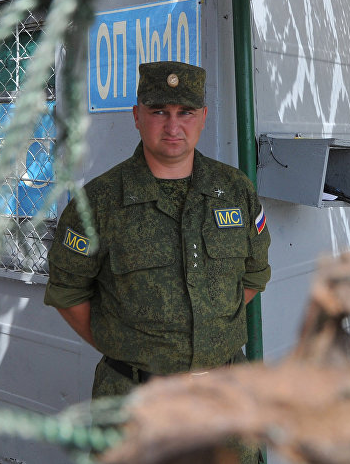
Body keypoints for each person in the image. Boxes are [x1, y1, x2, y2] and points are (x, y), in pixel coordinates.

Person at [43, 60, 272, 400]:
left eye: (186, 112)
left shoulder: (236, 190)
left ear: (204, 117)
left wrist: (211, 334)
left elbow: (255, 275)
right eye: (159, 111)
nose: (173, 126)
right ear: (137, 116)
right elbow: (68, 293)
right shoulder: (99, 203)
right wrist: (128, 346)